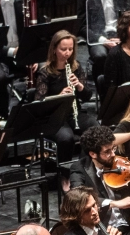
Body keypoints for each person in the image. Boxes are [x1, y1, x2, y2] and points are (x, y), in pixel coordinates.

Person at [34, 30, 92, 162]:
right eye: (63, 49)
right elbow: (39, 103)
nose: (67, 53)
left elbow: (87, 97)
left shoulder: (76, 67)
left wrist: (79, 86)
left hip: (74, 113)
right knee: (66, 138)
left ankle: (83, 167)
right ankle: (64, 172)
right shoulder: (45, 72)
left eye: (70, 49)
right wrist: (59, 97)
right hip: (55, 118)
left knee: (95, 131)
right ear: (54, 49)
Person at [76, 0, 127, 78]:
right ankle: (103, 87)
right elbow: (81, 26)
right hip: (98, 37)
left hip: (119, 34)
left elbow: (127, 17)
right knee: (100, 55)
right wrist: (103, 40)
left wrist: (122, 36)